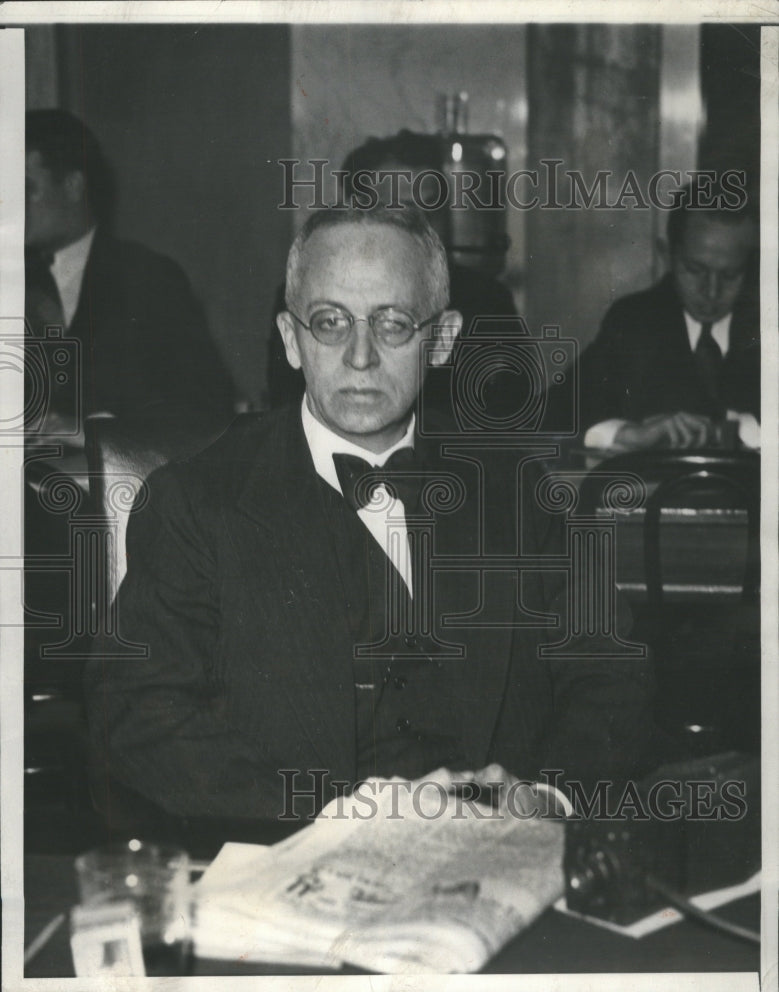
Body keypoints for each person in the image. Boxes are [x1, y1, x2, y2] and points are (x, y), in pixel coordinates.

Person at [86, 207, 658, 827]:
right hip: (293, 862)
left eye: (393, 323)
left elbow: (610, 673)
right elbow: (139, 712)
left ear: (440, 340)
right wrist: (335, 817)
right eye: (330, 323)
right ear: (290, 338)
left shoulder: (515, 490)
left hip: (489, 860)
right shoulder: (195, 502)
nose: (360, 357)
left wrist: (545, 797)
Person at [267, 130, 521, 420]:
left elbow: (506, 419)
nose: (423, 228)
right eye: (403, 214)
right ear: (355, 215)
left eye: (433, 208)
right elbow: (289, 412)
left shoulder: (486, 299)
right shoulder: (306, 296)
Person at [25, 109, 234, 437]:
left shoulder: (149, 279)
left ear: (73, 185)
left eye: (26, 188)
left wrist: (91, 431)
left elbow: (204, 405)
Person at [578, 185, 759, 451]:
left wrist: (739, 428)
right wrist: (627, 433)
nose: (711, 292)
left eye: (730, 276)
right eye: (695, 270)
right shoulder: (632, 321)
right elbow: (558, 412)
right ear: (668, 256)